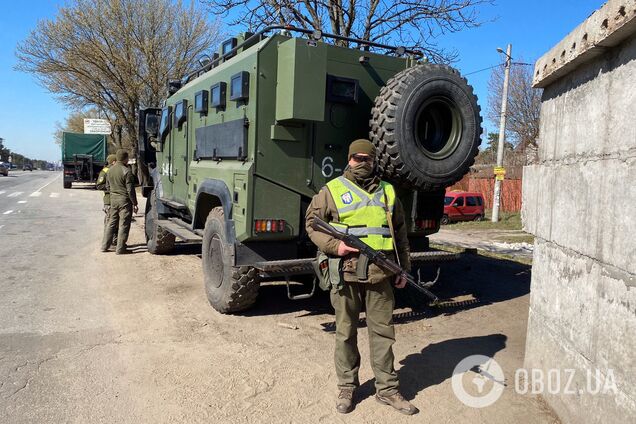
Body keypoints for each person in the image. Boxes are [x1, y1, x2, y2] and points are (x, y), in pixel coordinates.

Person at [305, 139, 417, 415]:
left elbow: (399, 235)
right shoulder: (332, 190)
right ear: (349, 159)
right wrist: (336, 247)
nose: (362, 162)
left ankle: (387, 389)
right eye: (357, 158)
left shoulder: (388, 192)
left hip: (382, 274)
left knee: (383, 333)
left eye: (367, 158)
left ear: (374, 160)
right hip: (346, 273)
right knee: (345, 332)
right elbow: (311, 224)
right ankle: (347, 386)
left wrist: (403, 268)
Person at [101, 149, 138, 254]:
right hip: (124, 202)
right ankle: (120, 248)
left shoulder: (109, 170)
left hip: (113, 200)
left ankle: (104, 246)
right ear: (126, 159)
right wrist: (135, 203)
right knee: (124, 224)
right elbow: (130, 190)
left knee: (111, 223)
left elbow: (107, 186)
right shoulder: (126, 171)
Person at [96, 154, 117, 244]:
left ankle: (115, 240)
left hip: (116, 200)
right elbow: (99, 185)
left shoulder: (116, 170)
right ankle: (107, 242)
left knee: (116, 221)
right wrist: (112, 188)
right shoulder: (105, 171)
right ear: (113, 162)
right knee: (109, 221)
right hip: (109, 200)